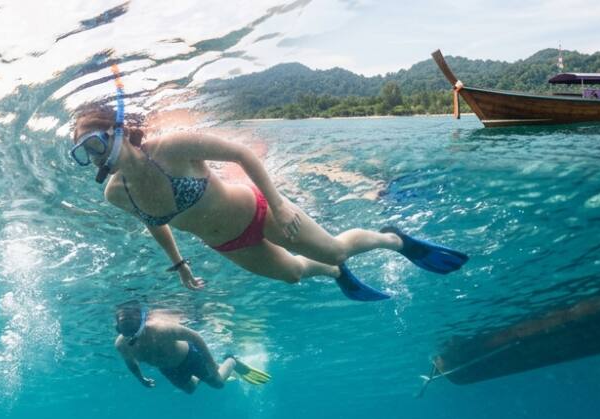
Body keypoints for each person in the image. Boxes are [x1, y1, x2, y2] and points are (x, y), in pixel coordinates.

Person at [68, 104, 468, 300]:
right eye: (85, 154)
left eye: (96, 144)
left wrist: (278, 204)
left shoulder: (170, 147)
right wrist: (179, 264)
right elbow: (154, 222)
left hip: (260, 211)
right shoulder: (115, 192)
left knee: (336, 248)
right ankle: (335, 275)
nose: (96, 157)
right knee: (294, 275)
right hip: (226, 244)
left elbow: (242, 154)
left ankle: (395, 239)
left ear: (118, 130)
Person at [113, 302, 270, 393]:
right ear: (118, 327)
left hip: (191, 358)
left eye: (131, 321)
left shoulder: (161, 329)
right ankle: (202, 376)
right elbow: (131, 362)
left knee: (218, 384)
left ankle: (231, 360)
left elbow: (196, 337)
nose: (128, 326)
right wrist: (141, 379)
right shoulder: (121, 344)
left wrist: (211, 364)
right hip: (168, 369)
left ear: (142, 320)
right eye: (123, 323)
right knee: (190, 389)